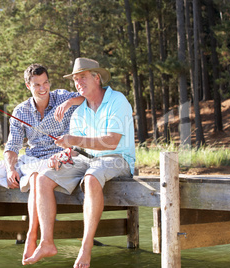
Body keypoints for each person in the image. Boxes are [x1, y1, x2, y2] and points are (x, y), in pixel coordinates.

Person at [0, 63, 84, 261]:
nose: (43, 88)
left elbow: (89, 96)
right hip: (30, 158)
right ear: (28, 86)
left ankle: (32, 237)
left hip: (55, 159)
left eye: (45, 82)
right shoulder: (21, 111)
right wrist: (11, 169)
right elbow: (12, 147)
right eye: (37, 84)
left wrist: (70, 103)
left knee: (35, 179)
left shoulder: (62, 96)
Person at [23, 58, 135, 268]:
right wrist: (63, 155)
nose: (78, 83)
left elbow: (111, 142)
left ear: (97, 77)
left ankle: (85, 247)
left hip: (118, 159)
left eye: (82, 77)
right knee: (43, 178)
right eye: (75, 79)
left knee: (91, 178)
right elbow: (76, 149)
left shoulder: (117, 100)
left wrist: (74, 141)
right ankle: (47, 242)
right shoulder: (80, 110)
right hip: (86, 159)